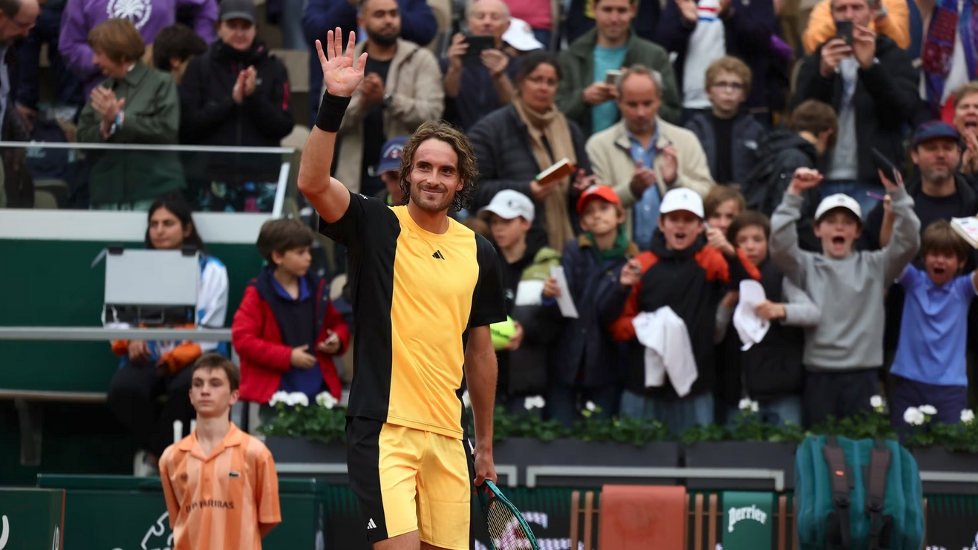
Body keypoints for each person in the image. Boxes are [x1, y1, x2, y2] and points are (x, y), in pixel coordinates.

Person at [297, 28, 505, 548]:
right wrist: (334, 102)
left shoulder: (479, 251)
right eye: (424, 168)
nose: (434, 178)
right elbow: (313, 184)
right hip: (383, 431)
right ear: (406, 174)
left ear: (461, 182)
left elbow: (481, 353)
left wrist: (484, 445)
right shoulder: (375, 224)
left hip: (449, 438)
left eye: (447, 171)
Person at [769, 167, 920, 426]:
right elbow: (780, 244)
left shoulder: (876, 266)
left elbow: (908, 242)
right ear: (817, 230)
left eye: (848, 222)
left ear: (857, 232)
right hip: (819, 377)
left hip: (864, 377)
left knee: (862, 449)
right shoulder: (805, 265)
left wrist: (898, 195)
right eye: (830, 222)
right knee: (820, 446)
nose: (839, 227)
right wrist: (794, 193)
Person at [602, 187, 759, 435]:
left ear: (700, 226)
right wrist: (645, 328)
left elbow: (751, 286)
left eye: (688, 219)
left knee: (698, 460)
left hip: (695, 389)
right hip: (643, 387)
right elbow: (614, 323)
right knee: (635, 460)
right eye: (674, 218)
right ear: (661, 223)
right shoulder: (642, 263)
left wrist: (730, 252)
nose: (681, 225)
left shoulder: (710, 259)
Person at [106, 195, 229, 470]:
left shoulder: (212, 270)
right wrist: (131, 338)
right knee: (123, 390)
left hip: (193, 357)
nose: (159, 230)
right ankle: (163, 455)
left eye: (168, 223)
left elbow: (210, 327)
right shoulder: (131, 268)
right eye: (154, 224)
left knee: (188, 389)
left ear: (187, 229)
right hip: (145, 357)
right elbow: (114, 316)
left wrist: (178, 355)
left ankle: (156, 459)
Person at [789, 0, 918, 217]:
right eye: (841, 9)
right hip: (820, 178)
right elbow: (798, 119)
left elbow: (902, 112)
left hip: (874, 180)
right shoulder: (818, 57)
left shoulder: (892, 56)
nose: (849, 15)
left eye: (857, 7)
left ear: (872, 12)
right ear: (832, 15)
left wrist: (871, 68)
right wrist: (823, 75)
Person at [469, 51, 594, 253]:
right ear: (520, 82)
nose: (543, 88)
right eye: (536, 80)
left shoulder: (570, 130)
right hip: (515, 250)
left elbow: (585, 182)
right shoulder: (490, 130)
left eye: (551, 82)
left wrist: (579, 188)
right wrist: (527, 190)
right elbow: (472, 191)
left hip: (569, 244)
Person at [179, 0, 294, 212]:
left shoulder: (274, 67)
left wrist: (254, 97)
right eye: (232, 26)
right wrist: (231, 102)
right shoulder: (199, 67)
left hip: (262, 179)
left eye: (245, 26)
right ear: (218, 27)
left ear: (255, 29)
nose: (239, 33)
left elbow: (284, 124)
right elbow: (188, 126)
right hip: (210, 179)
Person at [159, 354, 281, 549]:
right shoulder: (170, 457)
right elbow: (179, 519)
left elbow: (267, 520)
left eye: (215, 384)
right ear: (190, 395)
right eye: (198, 384)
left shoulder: (257, 453)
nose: (205, 390)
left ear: (234, 396)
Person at [585, 65, 713, 250]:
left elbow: (708, 197)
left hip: (677, 255)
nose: (641, 113)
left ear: (659, 99)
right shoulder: (599, 145)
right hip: (620, 254)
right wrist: (631, 190)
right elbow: (595, 209)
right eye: (632, 104)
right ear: (618, 101)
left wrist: (675, 181)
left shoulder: (685, 140)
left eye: (647, 103)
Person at [715, 211, 819, 426]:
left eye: (757, 239)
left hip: (782, 391)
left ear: (769, 243)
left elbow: (812, 313)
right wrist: (726, 304)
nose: (750, 246)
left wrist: (780, 310)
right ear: (732, 245)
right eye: (742, 240)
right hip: (738, 393)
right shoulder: (723, 277)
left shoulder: (782, 276)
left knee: (788, 447)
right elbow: (714, 335)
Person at [232, 218, 349, 408]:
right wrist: (288, 356)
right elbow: (243, 340)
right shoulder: (257, 293)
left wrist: (337, 339)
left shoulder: (317, 287)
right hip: (275, 394)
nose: (308, 258)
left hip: (320, 390)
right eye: (300, 252)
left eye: (309, 251)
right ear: (278, 256)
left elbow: (338, 324)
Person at [545, 185, 637, 425]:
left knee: (601, 438)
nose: (597, 215)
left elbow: (608, 315)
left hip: (607, 366)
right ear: (583, 223)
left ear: (620, 215)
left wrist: (621, 287)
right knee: (559, 434)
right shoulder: (573, 250)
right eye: (589, 212)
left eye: (604, 208)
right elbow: (562, 309)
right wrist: (550, 296)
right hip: (567, 359)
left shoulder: (632, 260)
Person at [332, 0, 444, 197]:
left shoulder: (421, 59)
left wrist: (387, 100)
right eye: (380, 15)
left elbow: (432, 116)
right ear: (362, 20)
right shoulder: (345, 62)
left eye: (393, 14)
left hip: (406, 178)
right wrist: (363, 103)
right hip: (355, 179)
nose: (389, 20)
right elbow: (329, 121)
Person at [76, 18, 184, 210]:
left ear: (121, 54)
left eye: (99, 54)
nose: (94, 61)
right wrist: (104, 127)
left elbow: (167, 130)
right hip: (107, 195)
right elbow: (82, 141)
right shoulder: (101, 92)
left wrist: (120, 118)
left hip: (153, 194)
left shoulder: (161, 83)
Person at [889, 220, 978, 430]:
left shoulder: (963, 289)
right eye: (934, 254)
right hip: (908, 383)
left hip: (950, 389)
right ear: (924, 257)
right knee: (904, 447)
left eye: (948, 255)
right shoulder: (913, 281)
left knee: (950, 449)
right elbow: (890, 248)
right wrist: (889, 214)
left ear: (961, 262)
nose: (940, 260)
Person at [478, 189, 561, 413]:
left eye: (506, 221)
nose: (498, 228)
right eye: (494, 222)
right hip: (484, 381)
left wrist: (527, 331)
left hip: (529, 384)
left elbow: (560, 323)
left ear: (526, 223)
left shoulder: (548, 265)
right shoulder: (481, 263)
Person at [556, 0, 682, 135]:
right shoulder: (570, 57)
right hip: (580, 145)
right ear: (593, 9)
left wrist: (638, 94)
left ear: (633, 11)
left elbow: (673, 116)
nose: (614, 19)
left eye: (621, 11)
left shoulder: (655, 56)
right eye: (607, 10)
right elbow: (551, 113)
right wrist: (583, 98)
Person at [59, 0, 217, 97]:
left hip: (160, 90)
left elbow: (205, 5)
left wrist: (196, 50)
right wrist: (108, 58)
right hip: (106, 93)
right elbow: (70, 45)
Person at [654, 0, 776, 123]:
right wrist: (686, 24)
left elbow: (763, 39)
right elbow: (663, 44)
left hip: (743, 105)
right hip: (692, 102)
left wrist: (730, 15)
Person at [685, 57, 766, 186]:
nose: (729, 91)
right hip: (704, 193)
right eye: (721, 84)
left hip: (743, 195)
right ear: (708, 91)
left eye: (736, 86)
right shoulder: (695, 129)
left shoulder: (755, 130)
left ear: (744, 95)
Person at [441, 0, 518, 131]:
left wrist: (500, 77)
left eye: (495, 17)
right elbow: (447, 102)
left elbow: (517, 109)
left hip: (502, 136)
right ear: (468, 23)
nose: (487, 22)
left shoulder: (518, 64)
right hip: (457, 135)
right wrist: (455, 69)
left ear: (507, 25)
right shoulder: (451, 62)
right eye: (480, 17)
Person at [0, 0, 40, 208]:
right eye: (22, 25)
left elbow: (4, 97)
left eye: (31, 27)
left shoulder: (9, 50)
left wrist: (17, 134)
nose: (26, 34)